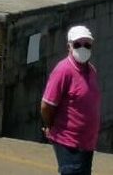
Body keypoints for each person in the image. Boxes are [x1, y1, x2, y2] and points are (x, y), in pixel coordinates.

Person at [41, 25, 102, 175]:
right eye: (77, 44)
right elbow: (46, 105)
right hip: (68, 142)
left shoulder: (91, 70)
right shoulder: (63, 70)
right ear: (69, 46)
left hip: (87, 144)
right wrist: (51, 125)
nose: (83, 48)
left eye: (87, 44)